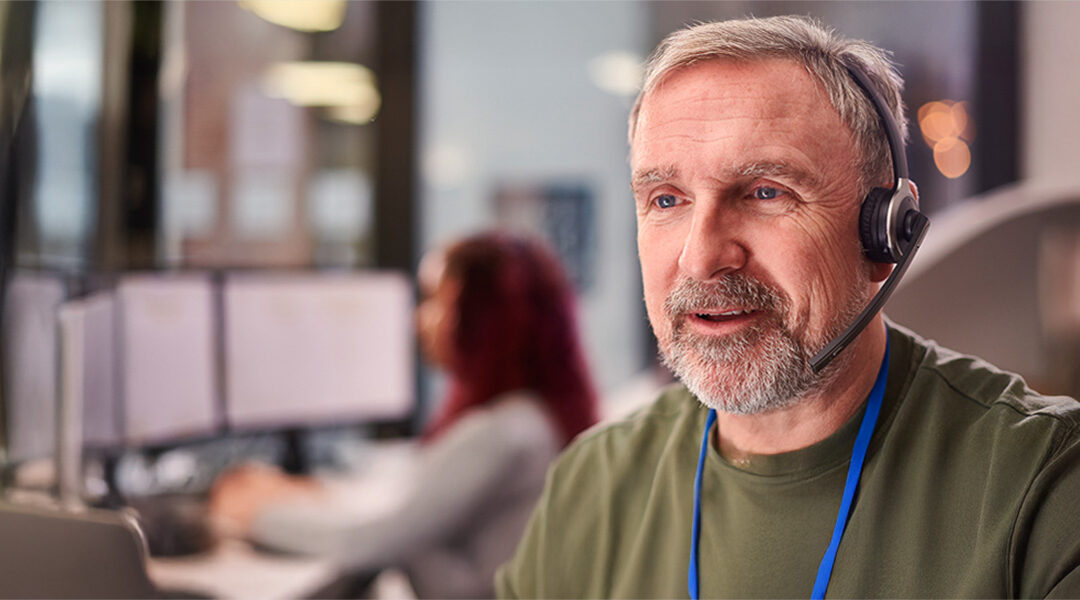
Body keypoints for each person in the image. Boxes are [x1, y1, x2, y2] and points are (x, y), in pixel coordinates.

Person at [497, 15, 1080, 599]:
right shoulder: (591, 489)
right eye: (666, 199)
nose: (701, 259)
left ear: (886, 233)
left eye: (766, 192)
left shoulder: (1043, 488)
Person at [210, 231, 599, 599]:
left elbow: (371, 542)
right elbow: (418, 496)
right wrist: (316, 496)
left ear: (484, 318)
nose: (419, 318)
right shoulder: (535, 417)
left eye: (435, 299)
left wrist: (254, 513)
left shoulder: (505, 432)